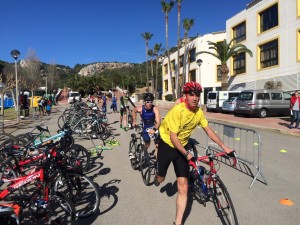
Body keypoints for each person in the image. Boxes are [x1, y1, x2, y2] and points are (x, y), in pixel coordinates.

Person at [155, 81, 235, 225]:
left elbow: (209, 130)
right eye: (191, 94)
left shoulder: (198, 112)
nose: (195, 97)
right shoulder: (178, 110)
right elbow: (173, 137)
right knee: (160, 178)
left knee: (183, 186)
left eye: (197, 95)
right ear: (185, 96)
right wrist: (187, 154)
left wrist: (224, 147)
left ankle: (177, 222)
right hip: (167, 145)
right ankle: (159, 173)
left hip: (182, 147)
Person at [132, 93, 161, 158]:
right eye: (148, 102)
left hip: (153, 127)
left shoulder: (155, 108)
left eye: (151, 101)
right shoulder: (141, 109)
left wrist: (154, 129)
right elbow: (134, 110)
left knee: (157, 144)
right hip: (145, 128)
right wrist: (134, 121)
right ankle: (144, 152)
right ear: (145, 102)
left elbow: (158, 121)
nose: (149, 103)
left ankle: (157, 159)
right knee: (147, 144)